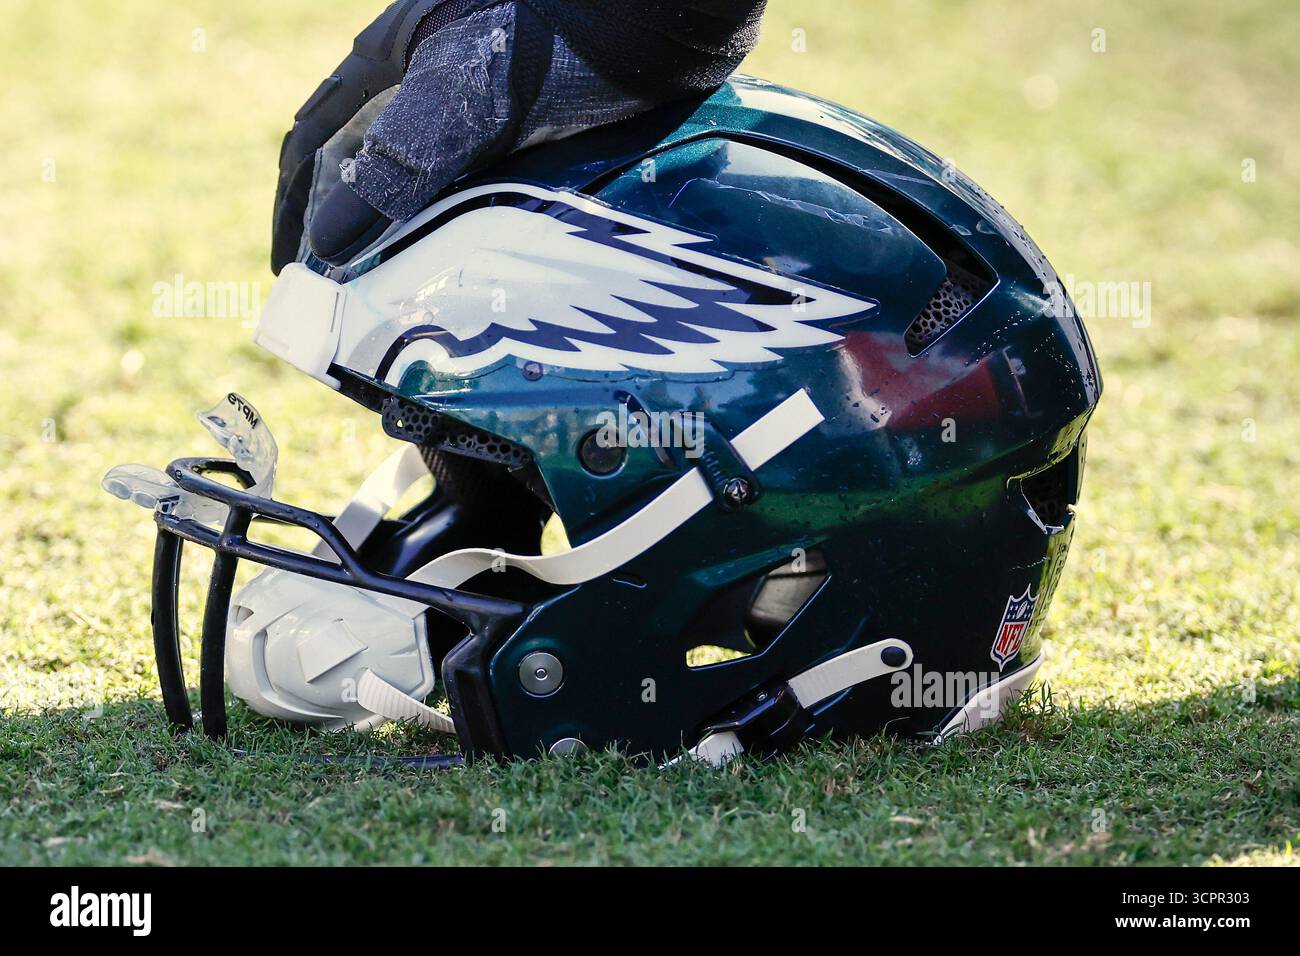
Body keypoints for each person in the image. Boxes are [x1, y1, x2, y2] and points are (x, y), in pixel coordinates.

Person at [271, 1, 768, 272]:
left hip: (587, 31)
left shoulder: (479, 49)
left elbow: (333, 238)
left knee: (330, 232)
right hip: (703, 50)